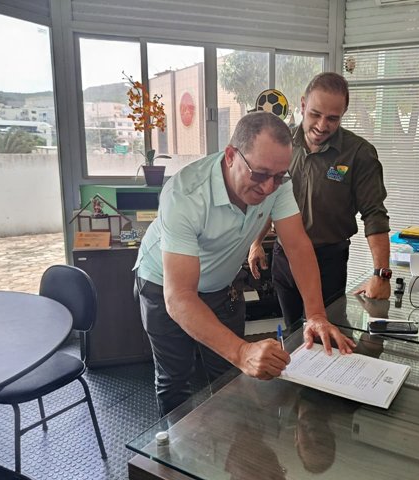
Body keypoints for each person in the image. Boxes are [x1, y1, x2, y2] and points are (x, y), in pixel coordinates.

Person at [133, 111, 355, 416]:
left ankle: (229, 444)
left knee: (230, 377)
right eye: (260, 174)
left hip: (221, 284)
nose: (268, 188)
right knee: (176, 380)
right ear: (230, 156)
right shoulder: (185, 194)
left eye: (279, 176)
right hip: (164, 285)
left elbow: (297, 246)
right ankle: (174, 447)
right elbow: (180, 297)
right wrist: (241, 350)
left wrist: (316, 315)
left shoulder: (277, 182)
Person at [249, 72, 391, 326]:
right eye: (315, 114)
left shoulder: (359, 154)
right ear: (303, 105)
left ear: (343, 114)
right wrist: (256, 242)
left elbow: (374, 215)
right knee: (293, 331)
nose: (322, 125)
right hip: (284, 257)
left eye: (333, 118)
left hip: (328, 262)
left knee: (326, 335)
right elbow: (271, 198)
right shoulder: (281, 144)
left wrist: (381, 274)